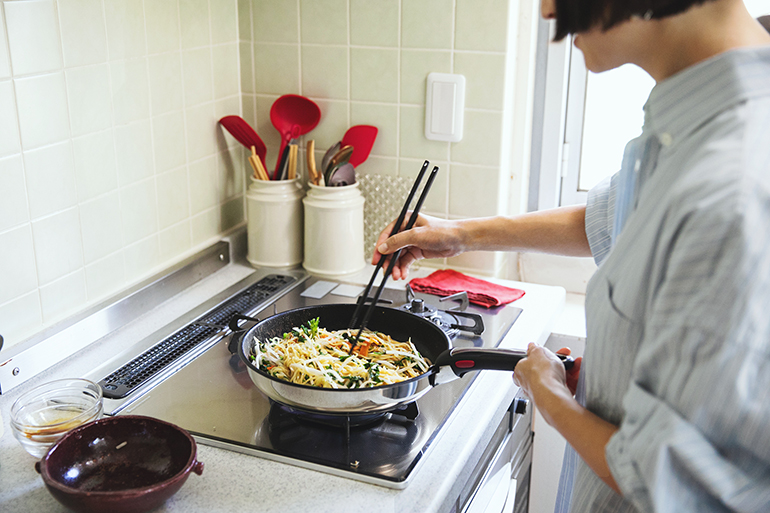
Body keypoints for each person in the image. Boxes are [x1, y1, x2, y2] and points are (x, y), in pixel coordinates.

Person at [373, 0, 770, 511]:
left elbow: (677, 482)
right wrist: (458, 235)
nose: (545, 12)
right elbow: (611, 218)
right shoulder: (694, 118)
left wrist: (553, 399)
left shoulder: (734, 185)